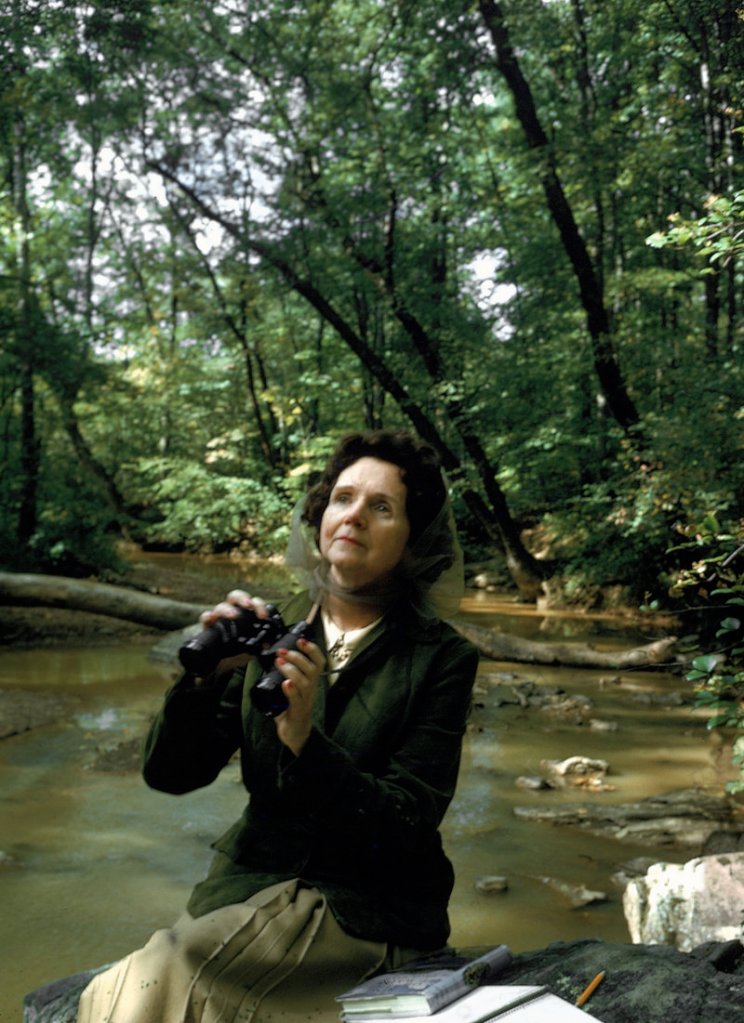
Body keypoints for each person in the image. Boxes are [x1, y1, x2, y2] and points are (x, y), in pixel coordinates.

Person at [76, 428, 479, 1023]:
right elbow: (170, 776)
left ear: (413, 541)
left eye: (382, 507)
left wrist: (304, 743)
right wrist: (202, 680)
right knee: (132, 987)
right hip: (248, 885)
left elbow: (408, 822)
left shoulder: (440, 656)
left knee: (168, 981)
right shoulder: (274, 627)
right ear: (319, 515)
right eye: (343, 499)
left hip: (365, 905)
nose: (354, 516)